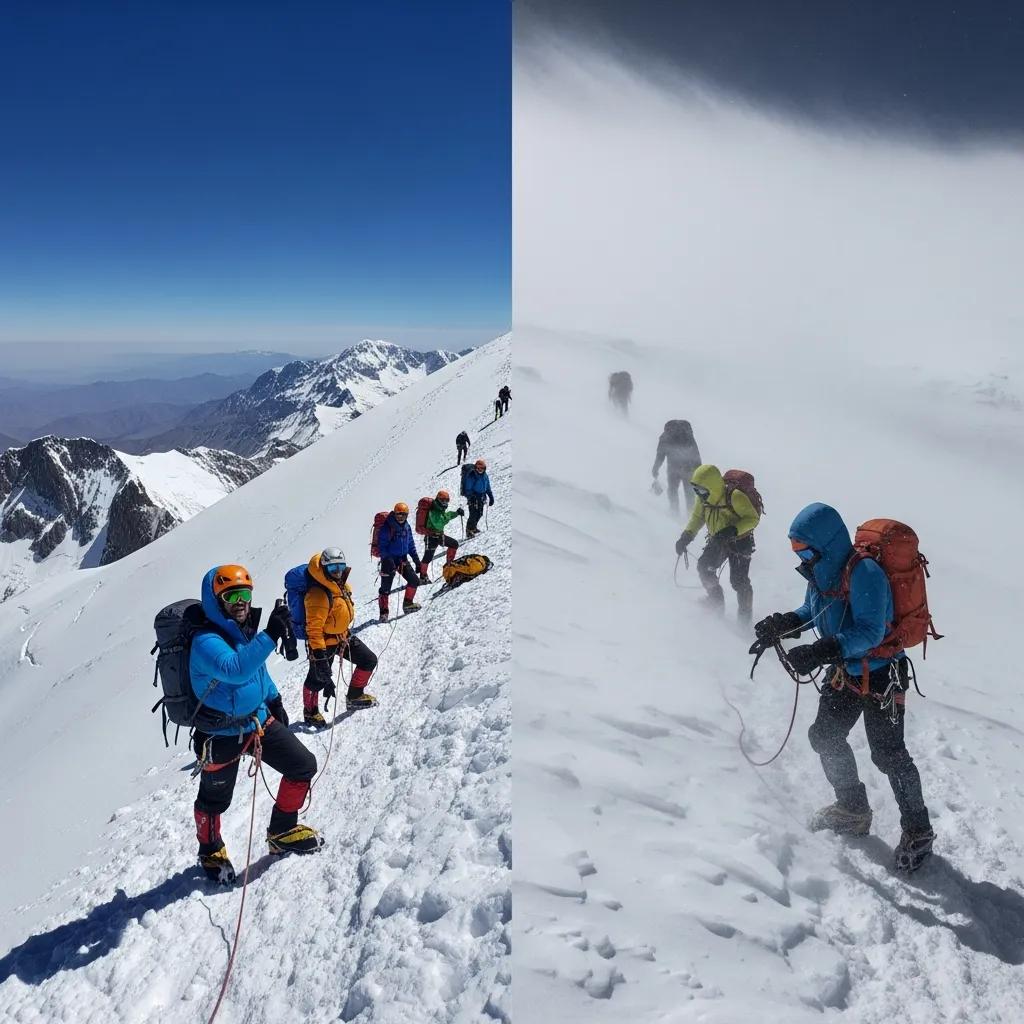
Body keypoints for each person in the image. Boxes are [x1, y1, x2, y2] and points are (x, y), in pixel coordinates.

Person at [751, 502, 934, 870]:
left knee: (888, 755)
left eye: (805, 550)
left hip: (882, 674)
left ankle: (919, 831)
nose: (801, 558)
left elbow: (871, 631)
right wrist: (782, 624)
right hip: (845, 671)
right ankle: (852, 809)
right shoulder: (822, 572)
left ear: (826, 542)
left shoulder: (865, 573)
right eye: (796, 550)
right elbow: (812, 610)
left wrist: (821, 650)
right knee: (825, 736)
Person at [190, 564, 322, 883]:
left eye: (245, 595)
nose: (241, 602)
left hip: (257, 722)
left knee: (302, 765)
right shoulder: (205, 640)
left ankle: (282, 831)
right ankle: (210, 850)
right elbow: (236, 669)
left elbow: (257, 670)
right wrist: (271, 634)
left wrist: (274, 699)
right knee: (214, 800)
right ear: (215, 601)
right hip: (220, 733)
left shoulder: (242, 631)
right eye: (231, 596)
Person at [301, 546, 378, 726]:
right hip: (323, 643)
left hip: (343, 636)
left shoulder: (339, 585)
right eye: (332, 568)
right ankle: (310, 712)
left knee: (368, 660)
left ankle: (355, 696)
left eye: (340, 567)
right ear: (323, 568)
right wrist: (320, 656)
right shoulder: (317, 594)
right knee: (317, 679)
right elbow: (314, 629)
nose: (337, 571)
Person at [675, 464, 758, 626]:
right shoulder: (703, 499)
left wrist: (733, 530)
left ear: (711, 485)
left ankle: (745, 617)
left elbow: (752, 518)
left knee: (738, 581)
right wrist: (686, 536)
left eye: (701, 490)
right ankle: (716, 602)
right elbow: (697, 517)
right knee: (704, 567)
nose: (699, 494)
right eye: (696, 490)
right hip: (718, 540)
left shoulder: (735, 496)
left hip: (741, 541)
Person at [377, 502, 422, 621]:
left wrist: (417, 561)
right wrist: (388, 560)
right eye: (398, 514)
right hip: (388, 561)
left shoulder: (407, 527)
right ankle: (383, 613)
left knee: (414, 581)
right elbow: (382, 547)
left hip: (402, 559)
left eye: (403, 514)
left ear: (407, 515)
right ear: (394, 513)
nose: (401, 516)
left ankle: (408, 604)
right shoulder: (387, 527)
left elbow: (410, 544)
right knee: (385, 589)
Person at [652, 420, 702, 515]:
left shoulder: (665, 437)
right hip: (688, 468)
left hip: (673, 469)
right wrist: (700, 470)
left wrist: (655, 468)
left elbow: (660, 455)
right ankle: (691, 514)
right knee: (689, 492)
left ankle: (674, 512)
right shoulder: (688, 436)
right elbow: (696, 453)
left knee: (672, 490)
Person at [419, 490, 465, 581]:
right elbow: (439, 523)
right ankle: (423, 576)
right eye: (443, 500)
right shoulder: (433, 510)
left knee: (454, 544)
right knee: (428, 557)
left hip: (439, 535)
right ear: (438, 499)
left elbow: (444, 517)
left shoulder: (439, 508)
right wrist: (452, 514)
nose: (445, 503)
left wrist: (456, 513)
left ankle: (449, 566)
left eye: (447, 500)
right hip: (431, 537)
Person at [462, 458, 494, 538]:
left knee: (480, 513)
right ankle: (469, 530)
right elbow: (468, 488)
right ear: (475, 468)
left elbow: (487, 487)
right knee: (473, 514)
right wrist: (471, 497)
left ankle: (473, 527)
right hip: (473, 498)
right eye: (478, 468)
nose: (480, 470)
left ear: (484, 468)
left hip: (481, 497)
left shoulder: (485, 476)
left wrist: (490, 496)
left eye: (482, 468)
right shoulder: (472, 476)